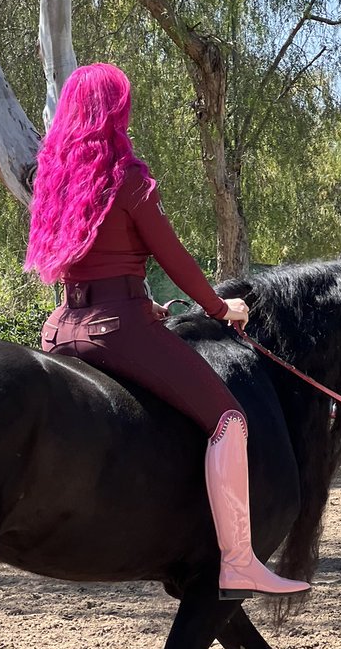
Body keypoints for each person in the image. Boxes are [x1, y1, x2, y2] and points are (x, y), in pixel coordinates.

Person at [25, 63, 308, 598]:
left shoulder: (57, 180)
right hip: (116, 329)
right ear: (117, 111)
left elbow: (86, 267)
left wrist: (142, 301)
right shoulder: (128, 178)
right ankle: (240, 559)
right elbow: (173, 257)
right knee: (228, 419)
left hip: (62, 327)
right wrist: (219, 309)